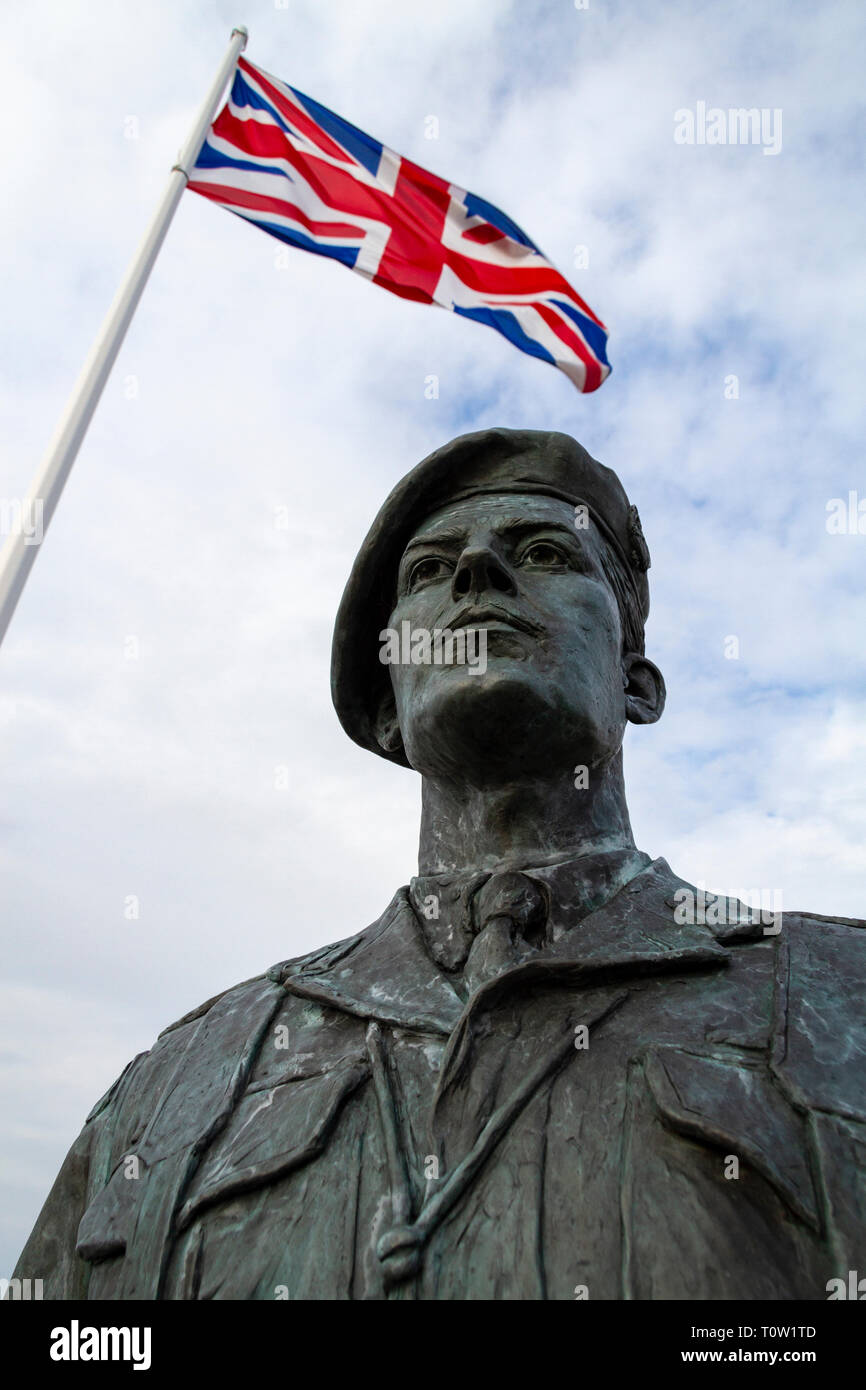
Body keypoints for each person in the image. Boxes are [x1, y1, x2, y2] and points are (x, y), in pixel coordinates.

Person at [13, 427, 865, 1300]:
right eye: (428, 571)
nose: (476, 576)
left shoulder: (845, 999)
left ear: (636, 683)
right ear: (391, 713)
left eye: (541, 552)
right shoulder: (180, 1079)